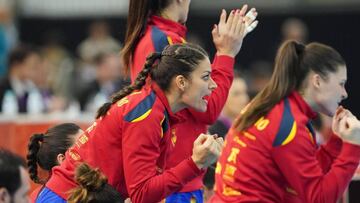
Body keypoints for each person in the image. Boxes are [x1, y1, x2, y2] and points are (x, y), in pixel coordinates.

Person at [36, 43, 230, 203]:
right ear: (181, 82)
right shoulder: (146, 115)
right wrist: (195, 163)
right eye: (206, 77)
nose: (213, 85)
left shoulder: (157, 110)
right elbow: (141, 194)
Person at [122, 1, 258, 202]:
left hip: (174, 179)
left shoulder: (153, 36)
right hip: (175, 184)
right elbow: (209, 109)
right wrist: (226, 53)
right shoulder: (166, 41)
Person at [210, 40, 360, 202]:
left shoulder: (274, 107)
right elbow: (319, 198)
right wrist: (353, 146)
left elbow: (303, 173)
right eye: (341, 84)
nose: (344, 93)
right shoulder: (288, 125)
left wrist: (336, 142)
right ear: (317, 81)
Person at [26, 123, 82, 202]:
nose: (88, 149)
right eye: (82, 147)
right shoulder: (53, 199)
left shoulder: (77, 192)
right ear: (62, 159)